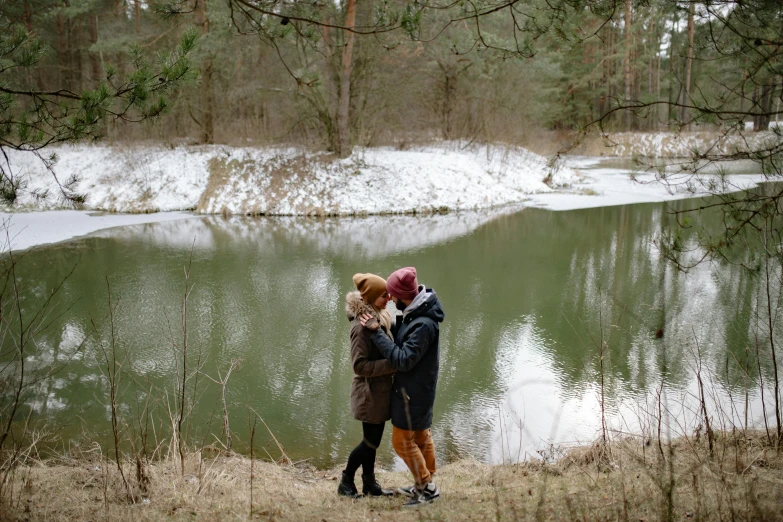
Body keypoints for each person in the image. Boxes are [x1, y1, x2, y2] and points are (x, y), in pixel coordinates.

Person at [360, 266, 445, 508]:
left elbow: (403, 360)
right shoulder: (417, 312)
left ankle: (426, 488)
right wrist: (389, 327)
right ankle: (425, 482)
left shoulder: (423, 324)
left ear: (402, 294)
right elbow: (405, 340)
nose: (390, 300)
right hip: (420, 389)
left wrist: (377, 333)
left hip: (413, 393)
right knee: (420, 436)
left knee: (401, 441)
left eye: (392, 295)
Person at [338, 273, 397, 498]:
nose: (389, 298)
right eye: (384, 295)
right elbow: (359, 366)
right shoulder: (361, 327)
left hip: (378, 393)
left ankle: (369, 484)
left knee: (372, 442)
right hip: (369, 394)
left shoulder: (378, 317)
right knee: (369, 443)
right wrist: (393, 365)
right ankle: (345, 480)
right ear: (372, 297)